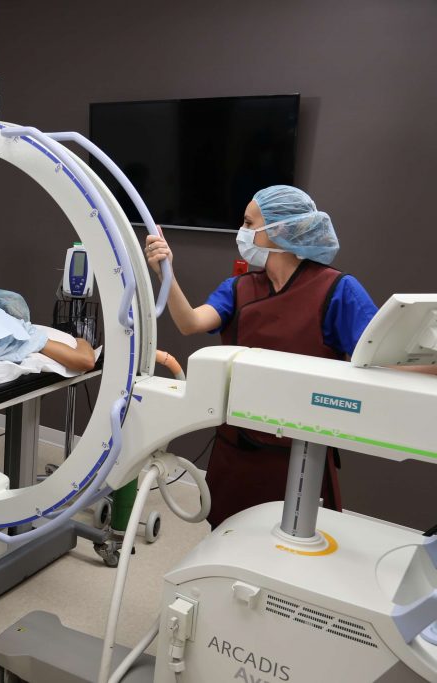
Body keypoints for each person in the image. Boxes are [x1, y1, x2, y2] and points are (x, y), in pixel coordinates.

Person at [144, 185, 379, 528]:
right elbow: (189, 323)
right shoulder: (239, 288)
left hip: (301, 452)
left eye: (248, 223)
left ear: (280, 230)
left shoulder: (337, 290)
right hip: (237, 444)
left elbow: (379, 355)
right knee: (227, 532)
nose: (241, 232)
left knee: (292, 542)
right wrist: (165, 272)